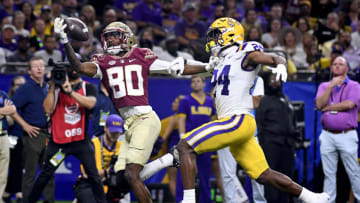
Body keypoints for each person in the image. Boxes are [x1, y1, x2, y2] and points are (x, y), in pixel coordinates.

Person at [168, 17, 329, 203]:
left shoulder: (244, 53)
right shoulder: (223, 61)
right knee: (263, 174)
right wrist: (176, 66)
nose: (212, 39)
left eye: (216, 35)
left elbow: (268, 57)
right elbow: (198, 69)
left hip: (236, 120)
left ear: (230, 34)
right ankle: (310, 196)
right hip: (237, 124)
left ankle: (188, 200)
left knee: (185, 146)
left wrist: (281, 62)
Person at [54, 18, 190, 202]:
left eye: (115, 36)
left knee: (131, 175)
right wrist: (64, 41)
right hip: (128, 125)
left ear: (126, 38)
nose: (110, 40)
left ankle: (169, 159)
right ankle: (168, 159)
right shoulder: (102, 60)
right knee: (120, 179)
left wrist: (207, 67)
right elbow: (78, 67)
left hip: (143, 117)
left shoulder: (141, 55)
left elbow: (177, 68)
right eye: (107, 37)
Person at [27, 67, 106, 203]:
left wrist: (71, 92)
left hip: (80, 143)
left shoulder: (88, 87)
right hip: (59, 146)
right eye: (70, 67)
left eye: (76, 66)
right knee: (45, 174)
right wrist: (52, 87)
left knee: (94, 176)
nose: (74, 70)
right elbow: (47, 109)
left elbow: (90, 104)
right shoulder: (56, 89)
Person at [315, 56, 360, 203]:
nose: (337, 66)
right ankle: (329, 201)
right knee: (329, 174)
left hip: (346, 134)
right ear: (331, 68)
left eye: (341, 64)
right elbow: (319, 104)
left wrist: (328, 108)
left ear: (346, 68)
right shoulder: (323, 86)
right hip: (327, 134)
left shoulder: (355, 86)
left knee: (354, 172)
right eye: (335, 64)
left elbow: (349, 104)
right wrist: (330, 86)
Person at [11, 56, 55, 203]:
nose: (39, 68)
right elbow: (11, 108)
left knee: (49, 172)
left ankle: (49, 201)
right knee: (30, 173)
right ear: (29, 71)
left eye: (41, 65)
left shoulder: (49, 87)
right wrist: (24, 125)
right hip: (33, 135)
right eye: (35, 66)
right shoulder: (25, 88)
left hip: (49, 135)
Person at [256, 72, 300, 203]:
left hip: (287, 145)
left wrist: (296, 139)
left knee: (287, 178)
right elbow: (259, 123)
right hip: (270, 144)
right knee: (271, 179)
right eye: (272, 79)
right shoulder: (264, 100)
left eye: (278, 79)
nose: (275, 82)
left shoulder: (286, 99)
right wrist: (262, 142)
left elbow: (293, 121)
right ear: (267, 82)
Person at [176, 76, 216, 203]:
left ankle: (206, 200)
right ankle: (181, 199)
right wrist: (182, 136)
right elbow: (181, 119)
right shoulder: (186, 101)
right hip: (189, 142)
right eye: (193, 81)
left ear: (204, 84)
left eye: (198, 81)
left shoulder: (210, 101)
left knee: (205, 175)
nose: (195, 84)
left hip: (205, 143)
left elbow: (214, 120)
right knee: (185, 173)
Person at [75, 114, 130, 203]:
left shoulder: (122, 147)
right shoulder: (92, 145)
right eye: (112, 131)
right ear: (105, 128)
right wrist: (109, 170)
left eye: (117, 132)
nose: (114, 135)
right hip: (89, 184)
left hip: (112, 186)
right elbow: (87, 174)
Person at [2, 76, 26, 203]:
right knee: (13, 167)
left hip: (25, 138)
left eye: (22, 85)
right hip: (10, 137)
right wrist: (7, 113)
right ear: (12, 86)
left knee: (19, 168)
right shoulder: (9, 100)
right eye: (17, 85)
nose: (20, 87)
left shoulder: (28, 101)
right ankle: (17, 193)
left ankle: (7, 193)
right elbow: (9, 121)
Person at [0, 90, 16, 201]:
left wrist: (4, 111)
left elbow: (12, 109)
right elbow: (7, 110)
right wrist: (3, 111)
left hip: (3, 136)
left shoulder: (1, 94)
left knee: (3, 173)